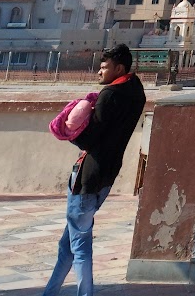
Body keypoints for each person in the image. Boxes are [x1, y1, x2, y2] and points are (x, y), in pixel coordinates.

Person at [42, 43, 146, 296]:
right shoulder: (136, 91)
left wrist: (69, 130)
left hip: (88, 177)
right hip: (108, 174)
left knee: (79, 244)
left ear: (118, 68)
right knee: (68, 242)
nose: (99, 72)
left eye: (104, 67)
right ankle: (50, 292)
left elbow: (90, 140)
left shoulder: (109, 95)